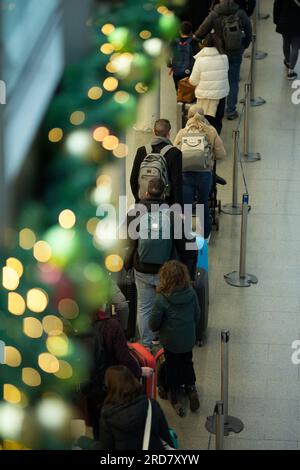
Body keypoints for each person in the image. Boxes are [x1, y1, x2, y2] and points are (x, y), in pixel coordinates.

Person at [124, 178, 197, 351]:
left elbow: (128, 240)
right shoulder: (172, 214)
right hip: (165, 272)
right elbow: (185, 245)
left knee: (144, 307)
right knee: (167, 305)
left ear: (146, 192)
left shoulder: (135, 213)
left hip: (141, 268)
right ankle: (164, 344)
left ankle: (146, 346)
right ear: (164, 193)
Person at [149, 261, 201, 417]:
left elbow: (153, 323)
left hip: (170, 341)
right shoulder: (191, 292)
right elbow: (197, 315)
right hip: (188, 338)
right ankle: (191, 388)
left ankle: (174, 396)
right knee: (187, 360)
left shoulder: (162, 299)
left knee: (172, 366)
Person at [174, 105, 226, 239]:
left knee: (186, 206)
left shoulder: (182, 132)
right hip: (204, 174)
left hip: (186, 173)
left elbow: (175, 152)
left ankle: (185, 235)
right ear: (204, 117)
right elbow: (221, 154)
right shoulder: (211, 131)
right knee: (203, 203)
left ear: (188, 116)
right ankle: (205, 234)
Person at [195, 0, 252, 120]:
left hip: (219, 52)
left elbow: (202, 30)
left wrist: (198, 38)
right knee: (233, 81)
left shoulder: (215, 14)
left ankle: (216, 108)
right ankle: (231, 110)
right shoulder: (240, 13)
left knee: (218, 80)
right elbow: (249, 31)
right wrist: (243, 46)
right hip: (236, 52)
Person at [98, 366, 175, 450]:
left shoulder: (107, 414)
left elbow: (106, 446)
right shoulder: (150, 404)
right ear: (132, 380)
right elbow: (164, 434)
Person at [130, 119, 183, 207]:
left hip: (144, 202)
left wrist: (139, 199)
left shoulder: (141, 151)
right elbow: (177, 184)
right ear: (168, 133)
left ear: (154, 132)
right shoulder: (175, 153)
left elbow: (133, 179)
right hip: (166, 204)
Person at [189, 33, 229, 134]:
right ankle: (216, 142)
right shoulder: (224, 58)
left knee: (202, 123)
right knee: (217, 122)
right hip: (219, 96)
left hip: (203, 98)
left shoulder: (200, 60)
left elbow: (193, 81)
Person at [168, 21, 200, 91]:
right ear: (191, 31)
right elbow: (198, 56)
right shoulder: (194, 42)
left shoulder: (174, 42)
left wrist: (170, 65)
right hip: (190, 71)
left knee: (179, 91)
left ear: (180, 31)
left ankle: (179, 99)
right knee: (190, 92)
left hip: (177, 71)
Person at [273, 0, 300, 80]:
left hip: (284, 20)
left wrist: (276, 20)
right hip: (298, 22)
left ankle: (288, 61)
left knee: (286, 42)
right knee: (295, 46)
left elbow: (276, 6)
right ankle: (291, 72)